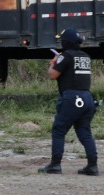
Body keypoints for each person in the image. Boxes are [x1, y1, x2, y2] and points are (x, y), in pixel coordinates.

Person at [40, 28, 98, 175]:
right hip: (87, 98)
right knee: (84, 132)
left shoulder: (65, 56)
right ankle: (92, 166)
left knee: (59, 131)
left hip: (71, 98)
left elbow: (52, 75)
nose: (60, 43)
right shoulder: (85, 56)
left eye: (62, 40)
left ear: (66, 42)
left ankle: (55, 165)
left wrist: (54, 62)